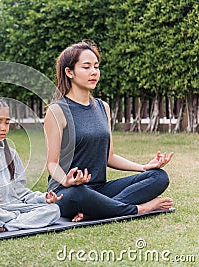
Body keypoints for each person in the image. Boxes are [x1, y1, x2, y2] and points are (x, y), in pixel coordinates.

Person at [44, 40, 174, 222]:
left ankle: (98, 210)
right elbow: (52, 163)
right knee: (78, 193)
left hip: (99, 189)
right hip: (67, 192)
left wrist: (143, 167)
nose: (93, 72)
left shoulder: (102, 107)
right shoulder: (57, 111)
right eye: (86, 67)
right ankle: (138, 209)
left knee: (158, 177)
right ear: (69, 72)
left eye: (96, 67)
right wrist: (66, 180)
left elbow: (109, 157)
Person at [0, 96, 62, 234]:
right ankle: (18, 221)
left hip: (15, 207)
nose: (4, 128)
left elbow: (21, 192)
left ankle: (5, 226)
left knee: (53, 210)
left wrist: (42, 198)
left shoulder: (12, 154)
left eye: (7, 122)